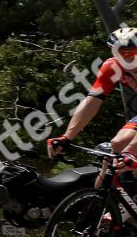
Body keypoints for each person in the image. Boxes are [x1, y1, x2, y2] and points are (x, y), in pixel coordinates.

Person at [49, 27, 137, 162]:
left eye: (134, 55)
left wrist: (130, 151)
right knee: (117, 147)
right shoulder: (113, 67)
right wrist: (67, 137)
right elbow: (92, 102)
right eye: (122, 55)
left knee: (129, 152)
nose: (129, 61)